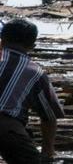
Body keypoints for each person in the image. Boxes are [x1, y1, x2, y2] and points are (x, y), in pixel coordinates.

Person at [0, 18, 65, 164]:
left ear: (2, 41)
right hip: (6, 128)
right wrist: (48, 151)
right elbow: (49, 116)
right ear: (32, 46)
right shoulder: (35, 72)